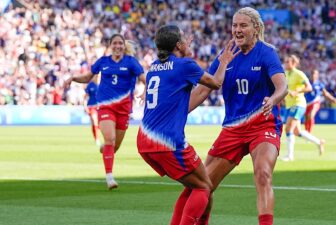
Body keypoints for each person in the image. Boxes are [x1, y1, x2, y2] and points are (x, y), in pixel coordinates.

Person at [188, 7, 287, 225]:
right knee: (203, 185)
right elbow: (204, 90)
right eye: (235, 25)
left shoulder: (266, 52)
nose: (237, 30)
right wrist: (176, 113)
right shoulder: (226, 55)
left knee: (262, 174)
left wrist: (273, 98)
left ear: (256, 28)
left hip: (263, 126)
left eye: (243, 25)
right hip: (232, 130)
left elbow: (282, 86)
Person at [137, 25, 238, 225]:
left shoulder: (154, 68)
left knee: (196, 186)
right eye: (183, 39)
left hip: (144, 141)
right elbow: (216, 83)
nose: (187, 40)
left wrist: (183, 52)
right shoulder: (184, 66)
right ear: (178, 45)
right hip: (168, 142)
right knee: (204, 188)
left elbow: (181, 102)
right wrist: (224, 61)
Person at [64, 34, 146, 190]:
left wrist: (145, 91)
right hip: (105, 107)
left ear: (123, 46)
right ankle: (109, 177)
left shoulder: (131, 62)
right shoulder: (103, 62)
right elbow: (88, 77)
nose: (117, 46)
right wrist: (73, 78)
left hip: (124, 109)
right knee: (110, 139)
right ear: (110, 45)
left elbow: (144, 78)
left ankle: (105, 150)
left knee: (114, 146)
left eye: (120, 43)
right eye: (114, 43)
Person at [282, 55, 325, 161]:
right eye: (285, 61)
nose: (285, 63)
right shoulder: (286, 74)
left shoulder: (299, 74)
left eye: (288, 62)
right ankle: (319, 142)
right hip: (289, 104)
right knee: (297, 132)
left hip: (298, 103)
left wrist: (297, 92)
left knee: (288, 128)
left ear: (294, 63)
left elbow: (309, 87)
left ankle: (290, 156)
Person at [84, 75, 101, 146]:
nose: (97, 77)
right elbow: (85, 97)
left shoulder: (102, 84)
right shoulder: (90, 85)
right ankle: (96, 139)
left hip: (100, 107)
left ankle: (98, 136)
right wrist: (85, 107)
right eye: (96, 76)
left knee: (100, 124)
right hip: (91, 106)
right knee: (94, 121)